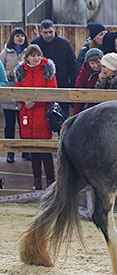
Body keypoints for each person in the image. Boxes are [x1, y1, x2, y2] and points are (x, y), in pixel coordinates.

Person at [14, 44, 57, 190]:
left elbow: (52, 90)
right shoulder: (21, 71)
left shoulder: (48, 69)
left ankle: (51, 182)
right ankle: (36, 181)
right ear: (27, 57)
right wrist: (24, 101)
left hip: (42, 113)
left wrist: (35, 101)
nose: (36, 58)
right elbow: (17, 90)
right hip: (26, 113)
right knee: (33, 150)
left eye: (38, 55)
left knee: (45, 150)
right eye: (32, 55)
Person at [30, 19, 78, 118]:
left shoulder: (65, 44)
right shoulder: (34, 45)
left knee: (63, 118)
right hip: (40, 86)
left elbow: (73, 67)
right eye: (45, 33)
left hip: (62, 86)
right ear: (41, 32)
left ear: (55, 30)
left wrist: (73, 86)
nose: (49, 35)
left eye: (51, 32)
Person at [0, 27, 29, 163]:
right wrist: (12, 73)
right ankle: (10, 151)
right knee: (10, 123)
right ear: (12, 38)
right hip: (10, 94)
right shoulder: (5, 53)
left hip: (24, 94)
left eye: (22, 36)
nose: (20, 38)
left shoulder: (29, 52)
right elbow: (2, 72)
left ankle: (25, 150)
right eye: (17, 36)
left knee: (24, 122)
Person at [74, 48, 103, 114]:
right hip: (88, 106)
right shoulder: (84, 73)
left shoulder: (106, 71)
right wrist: (77, 114)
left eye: (98, 62)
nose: (96, 66)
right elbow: (78, 93)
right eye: (92, 63)